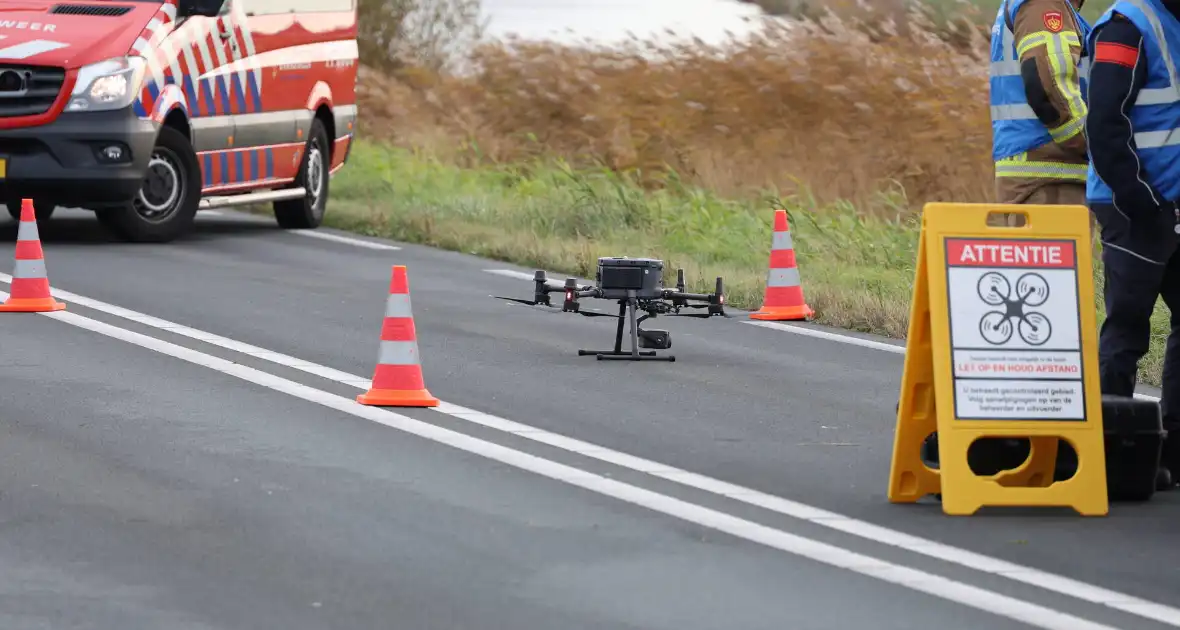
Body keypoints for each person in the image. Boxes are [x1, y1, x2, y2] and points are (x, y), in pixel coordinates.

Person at [1083, 0, 1180, 490]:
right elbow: (1103, 122)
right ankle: (1107, 455)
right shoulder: (1128, 26)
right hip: (1134, 205)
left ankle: (1172, 454)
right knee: (1126, 326)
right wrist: (1142, 200)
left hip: (1175, 206)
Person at [990, 0, 1092, 207]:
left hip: (1039, 172)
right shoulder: (1045, 5)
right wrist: (1096, 146)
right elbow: (1049, 89)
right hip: (1051, 177)